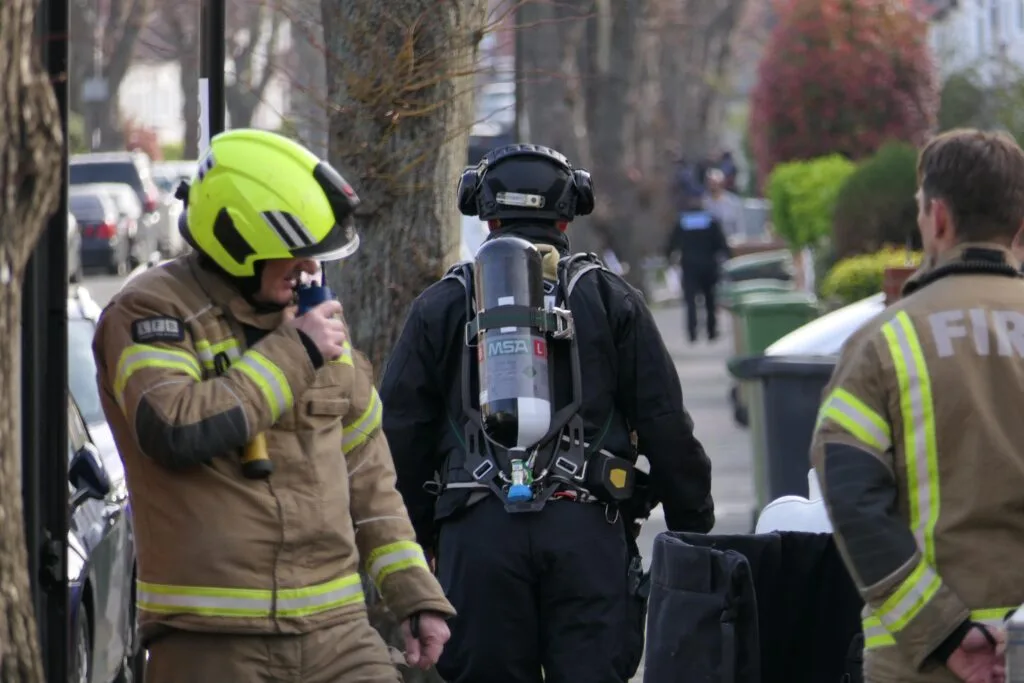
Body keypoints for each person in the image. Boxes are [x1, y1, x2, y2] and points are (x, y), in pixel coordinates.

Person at [92, 129, 455, 683]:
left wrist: (415, 595)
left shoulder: (306, 321)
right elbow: (173, 427)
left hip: (337, 634)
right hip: (212, 643)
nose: (310, 269)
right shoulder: (149, 312)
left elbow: (370, 477)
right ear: (239, 242)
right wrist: (297, 351)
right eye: (296, 253)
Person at [380, 143, 715, 683]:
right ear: (568, 214)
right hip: (586, 531)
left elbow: (398, 442)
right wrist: (693, 532)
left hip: (477, 537)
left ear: (483, 214)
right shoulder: (611, 300)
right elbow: (667, 427)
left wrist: (418, 556)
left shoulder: (441, 306)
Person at [810, 128, 1024, 683]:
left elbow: (854, 498)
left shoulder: (884, 343)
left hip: (927, 664)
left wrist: (947, 634)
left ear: (938, 218)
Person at [665, 195, 731, 343]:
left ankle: (692, 332)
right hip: (709, 265)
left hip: (689, 266)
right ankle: (711, 330)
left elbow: (671, 243)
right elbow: (721, 243)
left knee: (690, 301)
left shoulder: (682, 222)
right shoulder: (710, 220)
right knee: (710, 300)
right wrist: (726, 257)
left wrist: (668, 258)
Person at [703, 167, 744, 240]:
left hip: (730, 241)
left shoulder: (733, 202)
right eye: (710, 183)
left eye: (715, 184)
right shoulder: (704, 203)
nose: (712, 186)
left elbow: (740, 226)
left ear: (722, 184)